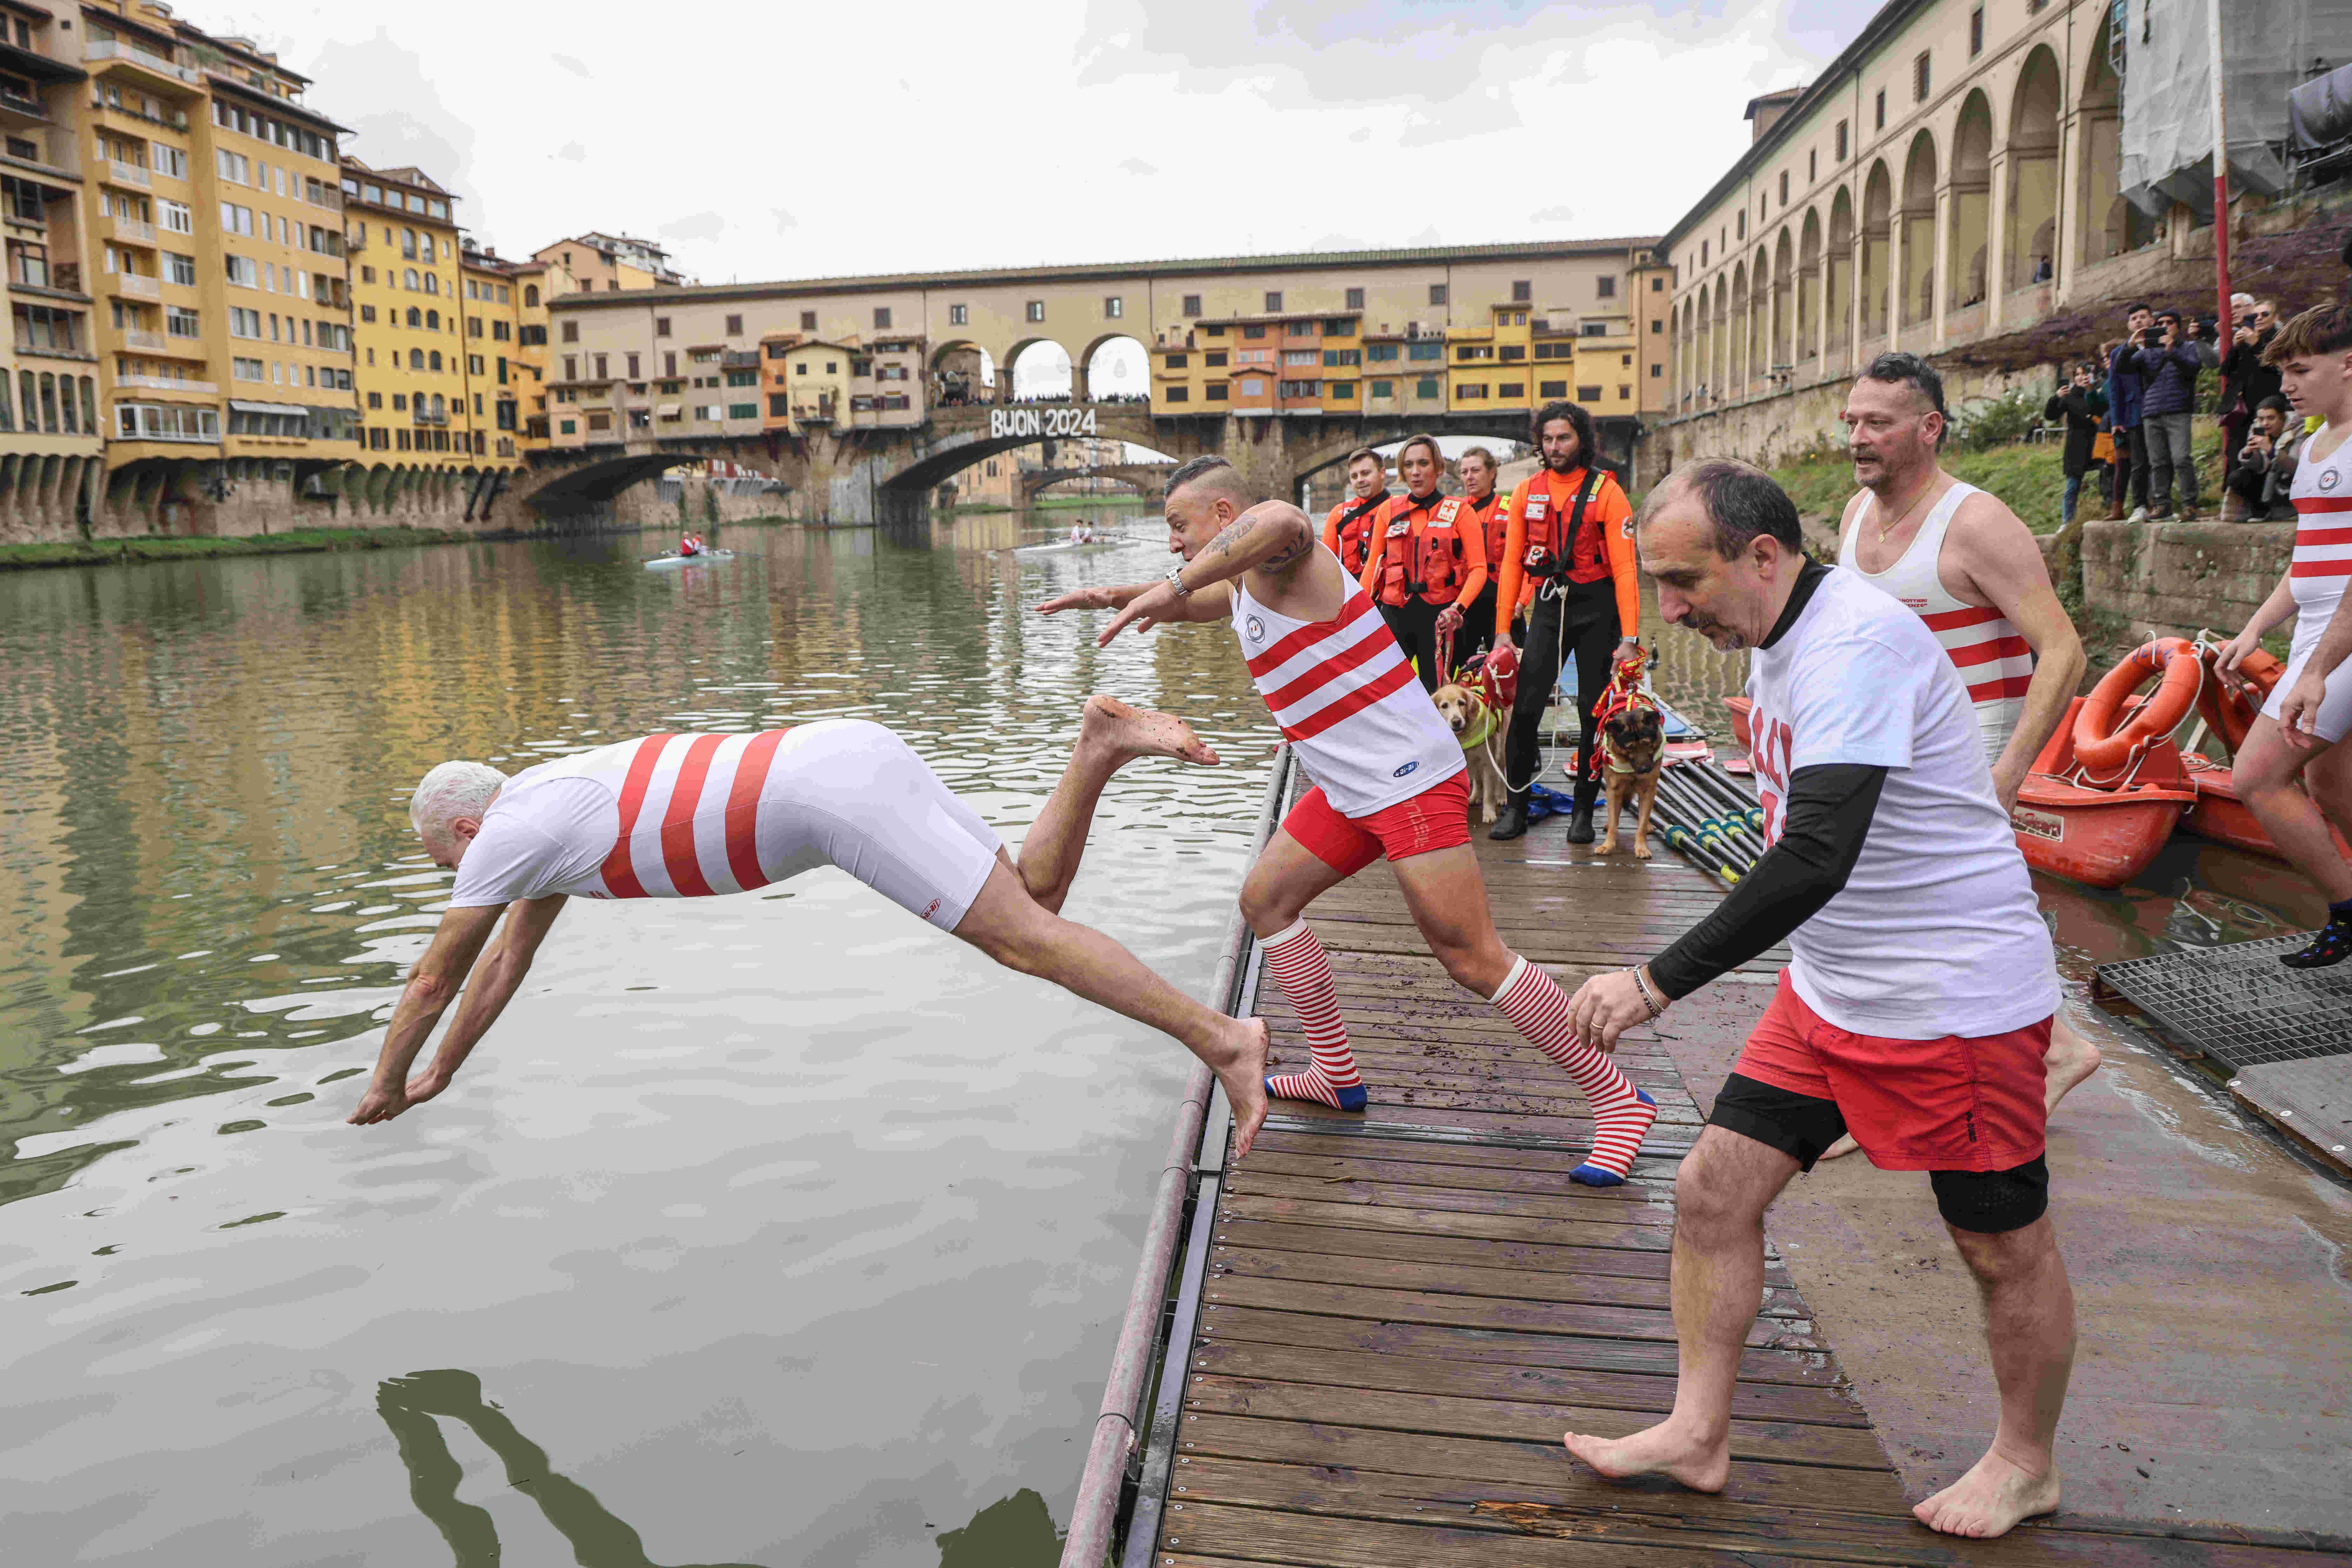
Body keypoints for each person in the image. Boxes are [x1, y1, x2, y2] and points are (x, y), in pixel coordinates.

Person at [1560, 459, 2075, 1541]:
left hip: (1951, 997)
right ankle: (1696, 1431)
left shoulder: (1853, 644)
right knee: (1709, 1191)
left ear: (1761, 555)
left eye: (1682, 580)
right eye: (1654, 582)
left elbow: (1815, 855)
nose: (1668, 608)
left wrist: (1654, 980)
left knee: (1997, 1245)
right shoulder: (1778, 635)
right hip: (1835, 985)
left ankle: (2025, 1461)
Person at [1036, 455, 1659, 1183]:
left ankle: (1619, 1100)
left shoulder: (1286, 553)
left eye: (1181, 527)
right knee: (1265, 901)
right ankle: (1335, 1072)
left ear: (1222, 515)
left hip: (1408, 781)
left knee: (1471, 956)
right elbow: (1192, 602)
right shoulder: (1241, 582)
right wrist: (1115, 596)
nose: (1175, 544)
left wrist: (1171, 583)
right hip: (1349, 787)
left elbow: (1280, 520)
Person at [347, 700, 1277, 1154]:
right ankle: (1098, 744)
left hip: (820, 797)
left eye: (447, 862)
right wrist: (439, 1074)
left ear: (466, 832)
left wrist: (382, 1082)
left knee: (1019, 939)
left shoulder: (507, 836)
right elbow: (505, 961)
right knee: (1032, 900)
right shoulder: (542, 805)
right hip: (843, 748)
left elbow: (435, 977)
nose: (457, 878)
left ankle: (1225, 1038)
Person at [1831, 352, 2099, 1151]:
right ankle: (2047, 1052)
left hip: (1971, 741)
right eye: (1851, 421)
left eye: (1877, 422)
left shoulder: (1975, 521)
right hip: (1888, 741)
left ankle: (2048, 1054)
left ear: (1929, 428)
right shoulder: (1852, 515)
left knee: (1947, 914)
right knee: (1891, 911)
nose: (1858, 436)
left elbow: (2064, 650)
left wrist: (2009, 770)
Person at [2219, 302, 2352, 968]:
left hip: (2345, 639)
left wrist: (2316, 669)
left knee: (2258, 776)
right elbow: (2308, 563)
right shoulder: (2309, 445)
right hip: (2319, 631)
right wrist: (2252, 630)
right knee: (2331, 788)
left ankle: (2347, 909)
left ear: (2348, 363)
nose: (2288, 386)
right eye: (2283, 372)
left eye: (2301, 369)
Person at [1486, 401, 1638, 844]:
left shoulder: (1608, 493)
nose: (1555, 447)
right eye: (1548, 439)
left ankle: (1581, 814)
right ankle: (1514, 808)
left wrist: (1629, 637)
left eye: (1564, 438)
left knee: (1592, 712)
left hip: (1598, 610)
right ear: (1539, 443)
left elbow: (1626, 570)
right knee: (1525, 711)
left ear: (1582, 441)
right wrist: (1501, 629)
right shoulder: (1524, 492)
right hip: (1550, 609)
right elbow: (1511, 565)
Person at [1357, 434, 1490, 693]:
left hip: (1440, 617)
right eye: (1408, 466)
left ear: (1438, 469)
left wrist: (1457, 609)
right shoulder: (1388, 510)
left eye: (1423, 464)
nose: (1416, 472)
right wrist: (1359, 614)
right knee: (1385, 692)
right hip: (1395, 614)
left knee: (1437, 693)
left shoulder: (1461, 512)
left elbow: (1478, 569)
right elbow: (1373, 566)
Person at [2136, 308, 2218, 521]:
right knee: (2157, 462)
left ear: (2178, 327)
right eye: (2160, 323)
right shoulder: (2149, 350)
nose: (2165, 326)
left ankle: (2189, 505)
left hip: (2178, 409)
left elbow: (2192, 369)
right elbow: (2127, 367)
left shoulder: (2189, 347)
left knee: (2181, 458)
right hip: (2151, 411)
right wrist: (2133, 344)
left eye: (2169, 323)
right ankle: (2162, 505)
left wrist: (2172, 351)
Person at [1452, 445, 1513, 667]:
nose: (1469, 477)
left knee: (1509, 668)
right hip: (1465, 603)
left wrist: (1520, 602)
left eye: (1475, 471)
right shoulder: (1454, 512)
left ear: (1492, 472)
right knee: (1454, 667)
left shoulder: (1510, 510)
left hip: (1502, 602)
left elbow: (1525, 561)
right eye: (1464, 472)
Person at [2220, 301, 2282, 516]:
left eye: (2265, 314)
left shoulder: (2279, 339)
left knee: (2267, 454)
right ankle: (2238, 504)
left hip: (2269, 409)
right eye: (2254, 315)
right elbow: (2226, 370)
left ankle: (2264, 505)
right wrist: (2237, 346)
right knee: (2239, 453)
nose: (2259, 318)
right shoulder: (2245, 338)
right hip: (2243, 411)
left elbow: (2277, 371)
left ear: (2274, 317)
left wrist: (2256, 345)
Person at [2042, 362, 2109, 530]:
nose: (2081, 377)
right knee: (2073, 486)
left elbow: (2100, 409)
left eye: (2084, 374)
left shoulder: (2098, 392)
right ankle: (2067, 522)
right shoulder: (2070, 396)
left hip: (2096, 442)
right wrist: (2057, 397)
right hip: (2076, 445)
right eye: (2077, 375)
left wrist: (2090, 391)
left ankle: (2106, 512)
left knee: (2106, 476)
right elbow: (2051, 415)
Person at [2107, 303, 2154, 521]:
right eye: (2134, 318)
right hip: (2132, 414)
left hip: (2159, 409)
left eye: (2143, 317)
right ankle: (2137, 505)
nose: (2138, 321)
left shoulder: (2161, 347)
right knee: (2136, 463)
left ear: (2151, 321)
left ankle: (2158, 503)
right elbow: (2115, 389)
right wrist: (2116, 420)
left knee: (2158, 460)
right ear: (2128, 325)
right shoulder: (2118, 353)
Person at [1319, 446, 1390, 580]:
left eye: (1366, 473)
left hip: (1387, 596)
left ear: (1382, 473)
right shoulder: (1339, 514)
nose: (1360, 480)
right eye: (1354, 476)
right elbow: (1325, 565)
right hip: (1352, 595)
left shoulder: (1400, 510)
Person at [2228, 396, 2302, 523]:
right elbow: (2259, 467)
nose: (2265, 424)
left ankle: (2288, 509)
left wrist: (2271, 450)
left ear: (2283, 417)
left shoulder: (2299, 429)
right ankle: (2261, 511)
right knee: (2237, 477)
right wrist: (2249, 453)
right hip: (2270, 477)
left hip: (2291, 482)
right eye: (2261, 419)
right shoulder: (2257, 428)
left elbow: (2296, 468)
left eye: (2271, 418)